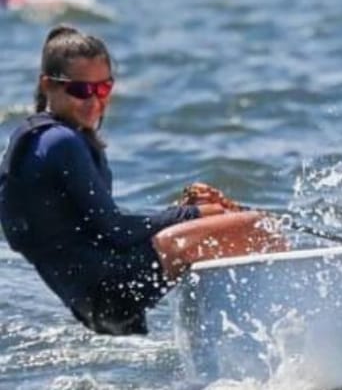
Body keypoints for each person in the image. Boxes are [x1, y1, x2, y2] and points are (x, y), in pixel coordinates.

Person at [0, 25, 287, 336]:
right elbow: (116, 230)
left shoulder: (39, 139)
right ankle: (286, 326)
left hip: (94, 299)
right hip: (112, 287)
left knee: (216, 225)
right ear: (48, 85)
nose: (94, 101)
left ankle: (234, 332)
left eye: (103, 89)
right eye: (81, 90)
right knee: (258, 226)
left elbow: (97, 231)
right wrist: (193, 214)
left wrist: (186, 213)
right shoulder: (61, 142)